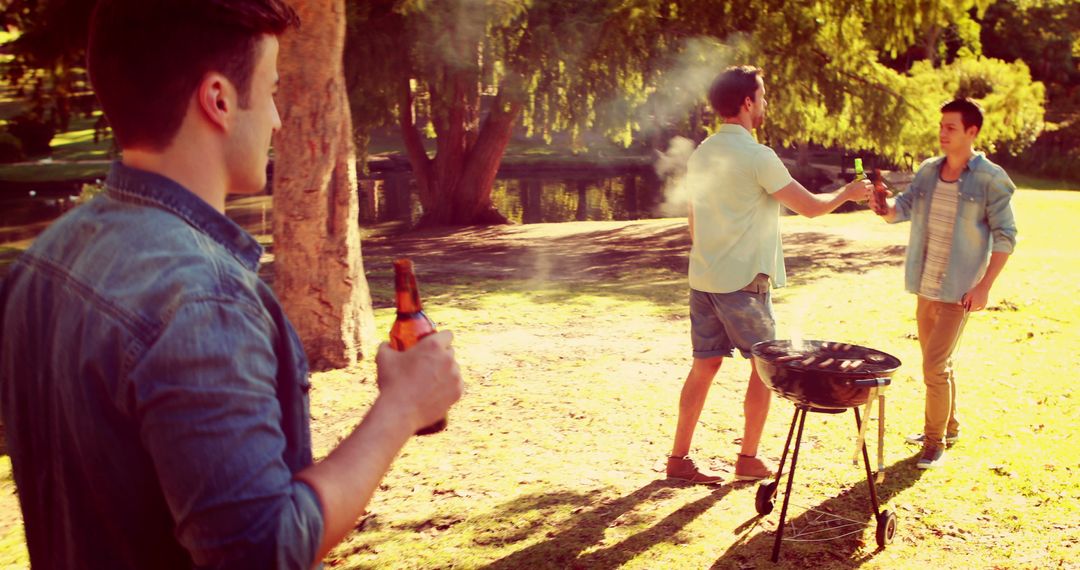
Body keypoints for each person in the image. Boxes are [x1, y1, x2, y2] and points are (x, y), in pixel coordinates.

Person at [0, 1, 463, 568]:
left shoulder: (40, 263)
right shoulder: (202, 299)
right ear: (218, 99)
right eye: (269, 90)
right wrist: (402, 407)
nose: (276, 118)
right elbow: (261, 548)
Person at [666, 65, 871, 484]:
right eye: (762, 96)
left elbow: (692, 217)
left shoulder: (703, 152)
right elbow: (811, 207)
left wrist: (710, 254)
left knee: (703, 366)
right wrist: (849, 194)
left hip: (703, 279)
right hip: (742, 283)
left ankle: (678, 460)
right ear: (746, 103)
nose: (765, 104)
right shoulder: (758, 156)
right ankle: (748, 458)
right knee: (766, 368)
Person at [869, 98, 1016, 469]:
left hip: (960, 290)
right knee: (937, 364)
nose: (943, 133)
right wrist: (882, 205)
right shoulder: (928, 172)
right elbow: (899, 209)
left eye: (951, 127)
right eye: (941, 126)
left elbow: (1006, 236)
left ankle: (934, 443)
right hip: (926, 285)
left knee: (934, 366)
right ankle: (948, 426)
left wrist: (984, 286)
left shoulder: (990, 178)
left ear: (972, 131)